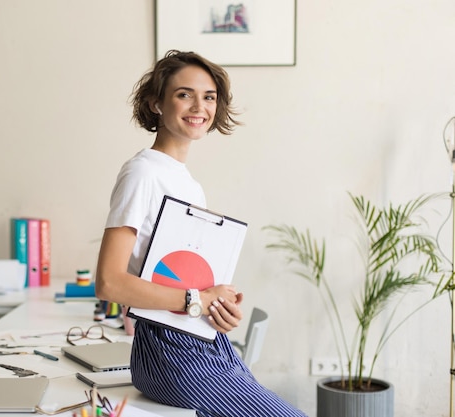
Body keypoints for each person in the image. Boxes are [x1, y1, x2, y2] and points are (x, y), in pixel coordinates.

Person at [95, 50, 307, 417]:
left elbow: (184, 279)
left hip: (202, 340)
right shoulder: (142, 174)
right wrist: (198, 300)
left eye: (209, 96)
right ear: (156, 103)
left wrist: (219, 304)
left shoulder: (187, 184)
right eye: (184, 94)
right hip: (170, 350)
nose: (199, 106)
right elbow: (109, 284)